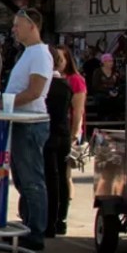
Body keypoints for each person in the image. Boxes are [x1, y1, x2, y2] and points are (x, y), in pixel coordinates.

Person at [4, 8, 53, 251]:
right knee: (23, 179)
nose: (14, 29)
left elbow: (35, 91)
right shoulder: (28, 53)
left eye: (18, 25)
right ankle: (28, 224)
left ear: (32, 25)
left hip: (31, 123)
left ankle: (36, 231)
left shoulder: (40, 55)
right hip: (21, 122)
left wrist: (6, 103)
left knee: (32, 179)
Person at [43, 47, 76, 237]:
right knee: (62, 178)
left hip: (48, 134)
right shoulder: (66, 86)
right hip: (63, 133)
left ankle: (49, 222)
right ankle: (60, 220)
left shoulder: (45, 85)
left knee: (50, 179)